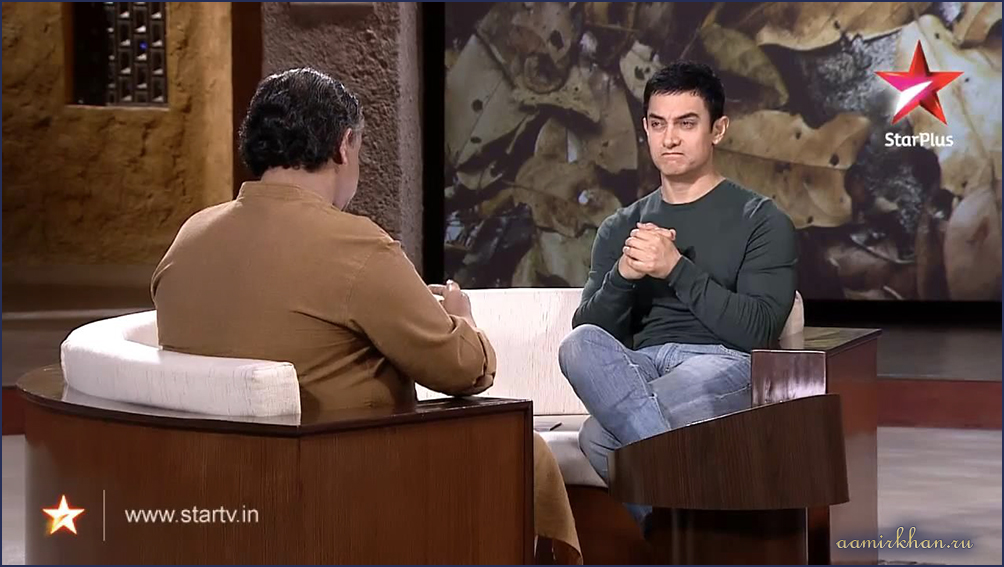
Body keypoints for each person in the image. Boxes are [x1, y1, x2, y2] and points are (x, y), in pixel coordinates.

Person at [152, 68, 580, 563]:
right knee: (524, 449)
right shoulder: (355, 246)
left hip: (209, 486)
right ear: (343, 146)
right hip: (341, 485)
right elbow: (463, 370)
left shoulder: (190, 237)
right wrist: (462, 321)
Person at [558, 62, 798, 519]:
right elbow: (593, 334)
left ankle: (670, 534)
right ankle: (686, 529)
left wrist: (675, 269)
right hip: (643, 367)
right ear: (646, 129)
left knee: (600, 437)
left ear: (717, 130)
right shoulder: (620, 227)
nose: (669, 139)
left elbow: (759, 332)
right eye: (658, 124)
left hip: (723, 363)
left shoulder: (762, 220)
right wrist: (623, 276)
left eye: (686, 124)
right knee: (578, 343)